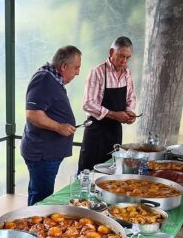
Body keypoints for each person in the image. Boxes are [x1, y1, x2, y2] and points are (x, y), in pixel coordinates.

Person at [20, 46, 81, 205]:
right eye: (76, 68)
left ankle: (32, 227)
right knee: (41, 198)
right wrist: (59, 127)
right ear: (64, 67)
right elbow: (32, 114)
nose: (78, 73)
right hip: (42, 154)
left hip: (46, 153)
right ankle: (32, 229)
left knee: (40, 193)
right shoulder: (44, 80)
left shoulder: (52, 80)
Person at [77, 36, 138, 172]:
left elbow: (131, 97)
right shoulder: (97, 72)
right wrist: (114, 114)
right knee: (88, 172)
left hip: (115, 132)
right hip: (96, 132)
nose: (124, 61)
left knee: (112, 171)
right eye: (121, 56)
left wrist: (130, 112)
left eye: (128, 58)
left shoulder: (127, 73)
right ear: (111, 52)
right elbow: (87, 103)